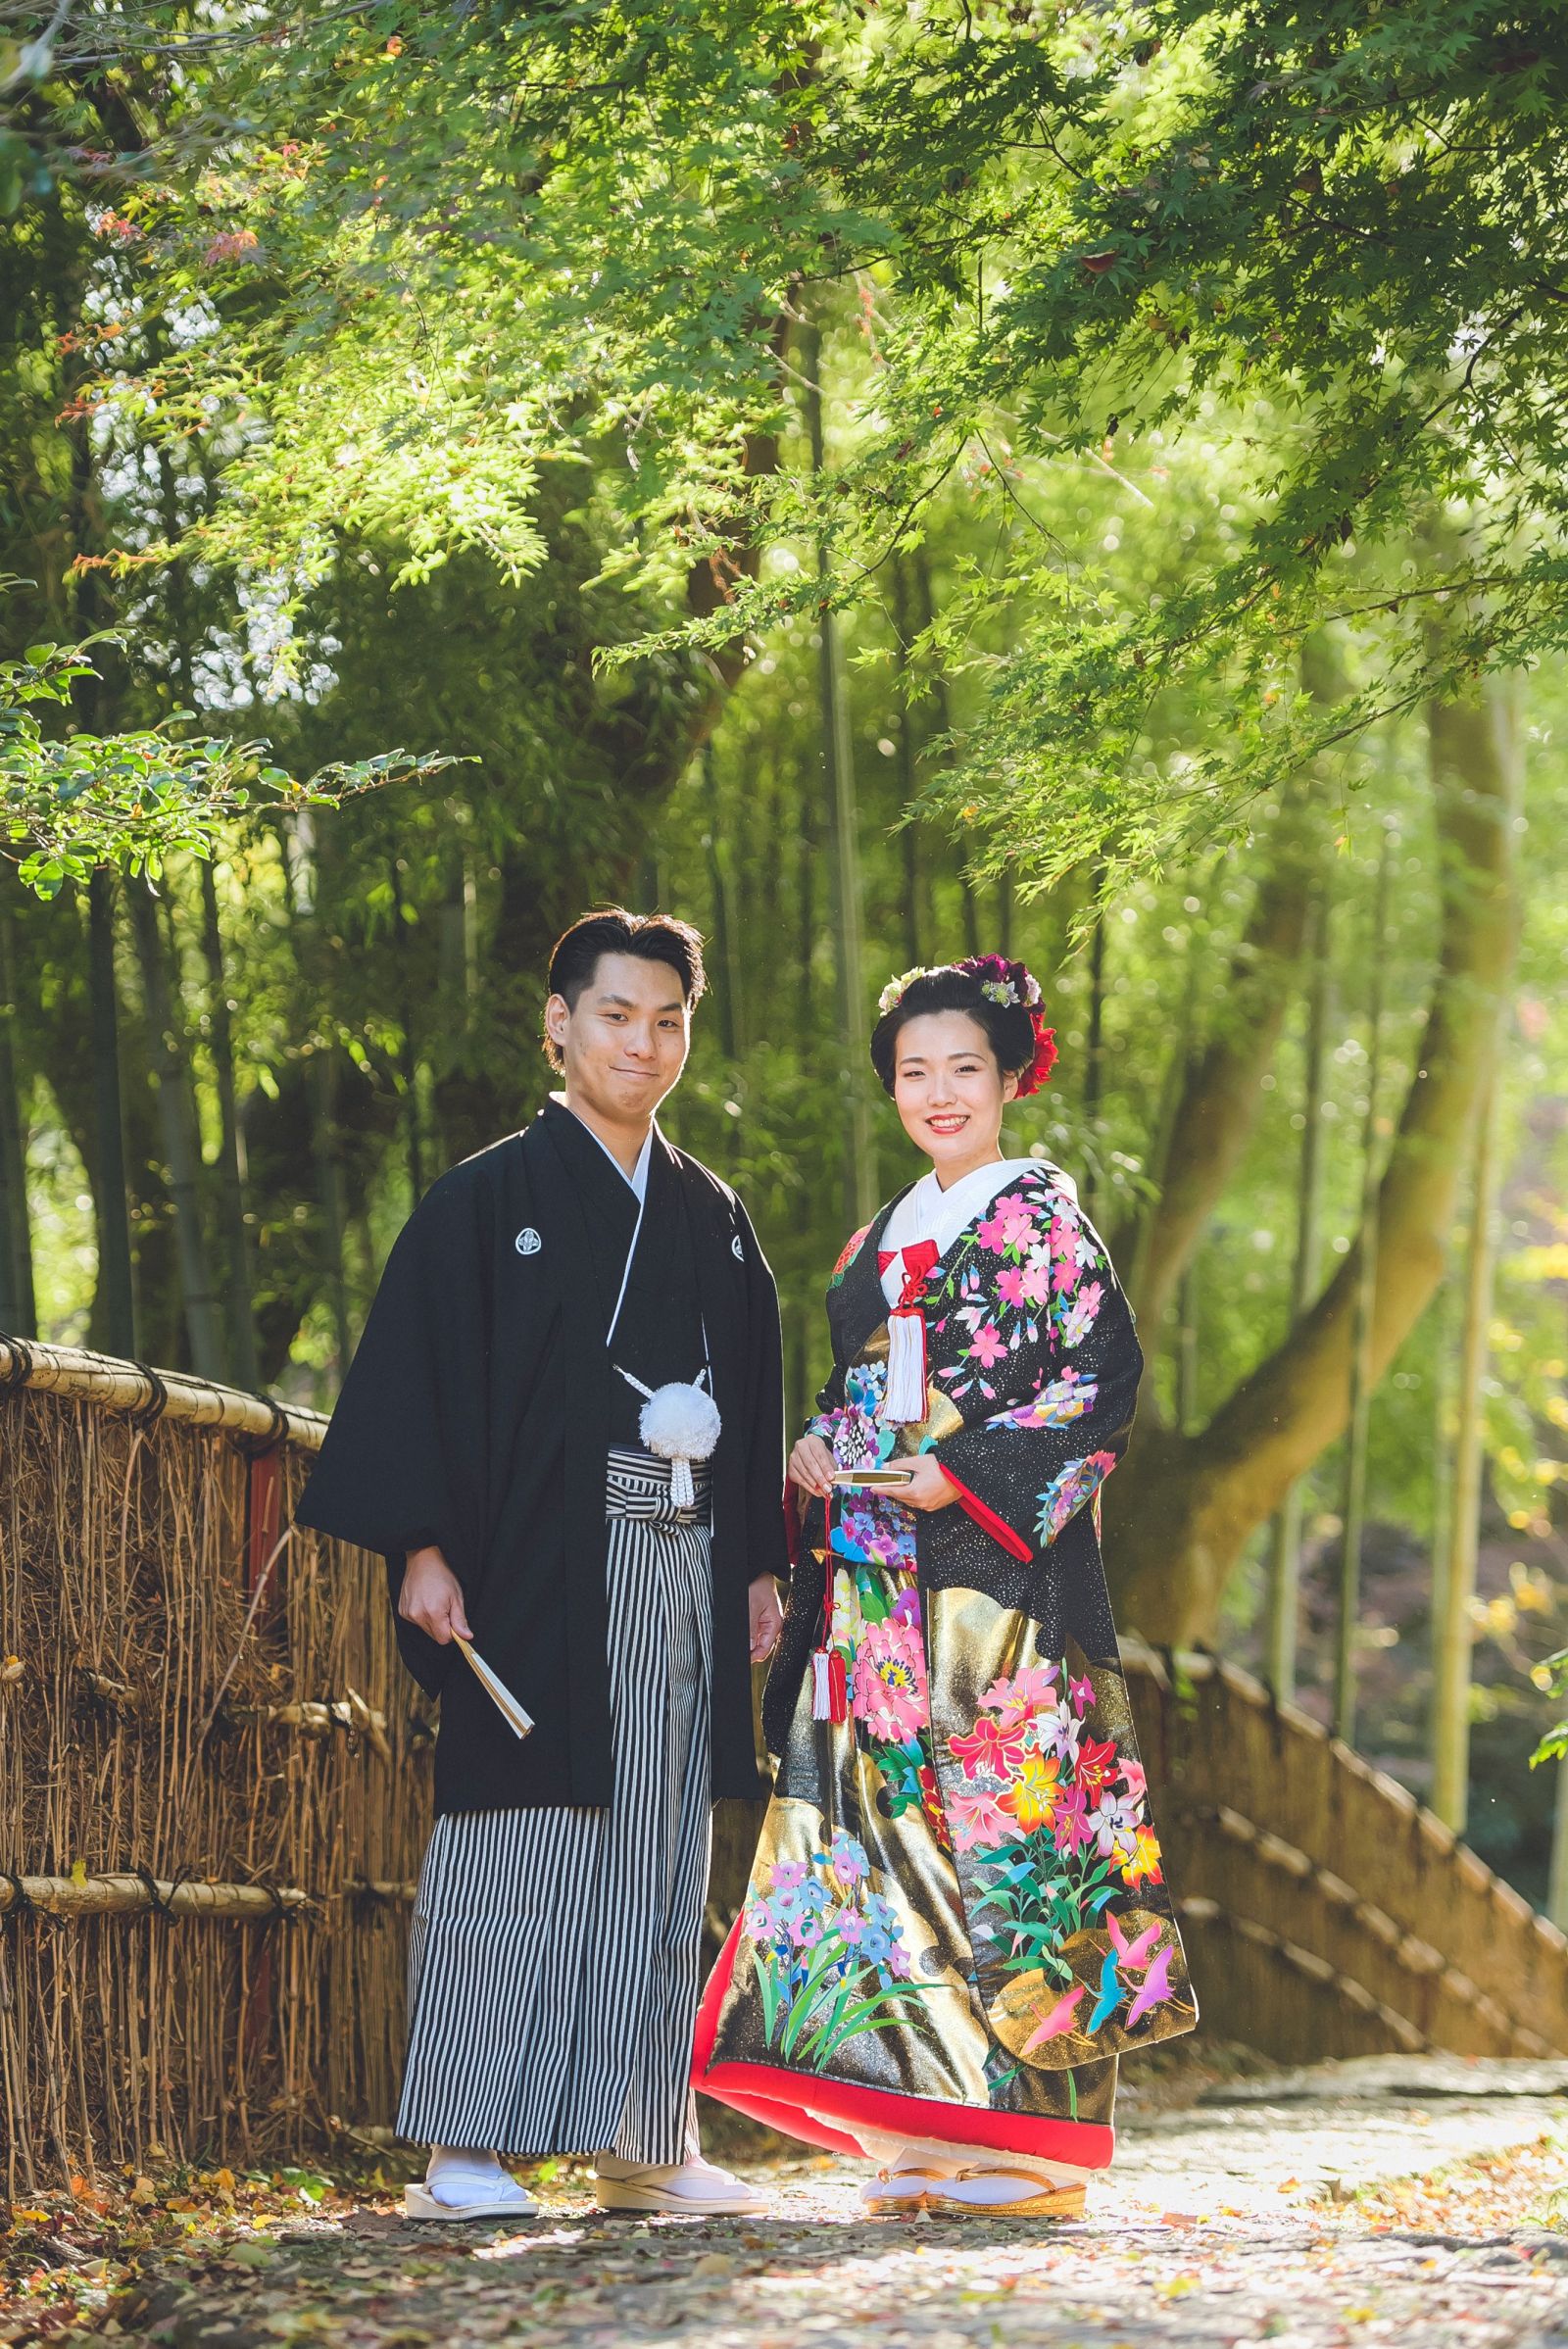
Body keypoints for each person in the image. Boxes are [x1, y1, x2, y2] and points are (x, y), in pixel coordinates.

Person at [292, 908, 787, 2221]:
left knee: (661, 1842)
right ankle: (466, 2143)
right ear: (558, 1021)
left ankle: (645, 2138)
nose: (644, 1041)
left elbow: (751, 1399)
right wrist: (421, 1543)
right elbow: (421, 1380)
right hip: (528, 1560)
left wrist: (753, 1564)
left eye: (669, 1018)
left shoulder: (713, 1216)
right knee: (514, 1841)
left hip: (679, 1555)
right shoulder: (485, 1201)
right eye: (617, 1013)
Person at [693, 954, 1196, 2218]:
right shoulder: (884, 1232)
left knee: (1019, 1837)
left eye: (964, 1067)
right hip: (874, 1583)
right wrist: (817, 1446)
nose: (937, 1092)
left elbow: (1101, 1385)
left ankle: (1034, 2153)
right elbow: (858, 1390)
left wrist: (960, 1471)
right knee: (884, 1841)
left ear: (1012, 1075)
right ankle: (918, 2135)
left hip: (994, 1584)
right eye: (914, 1071)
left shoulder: (1042, 1219)